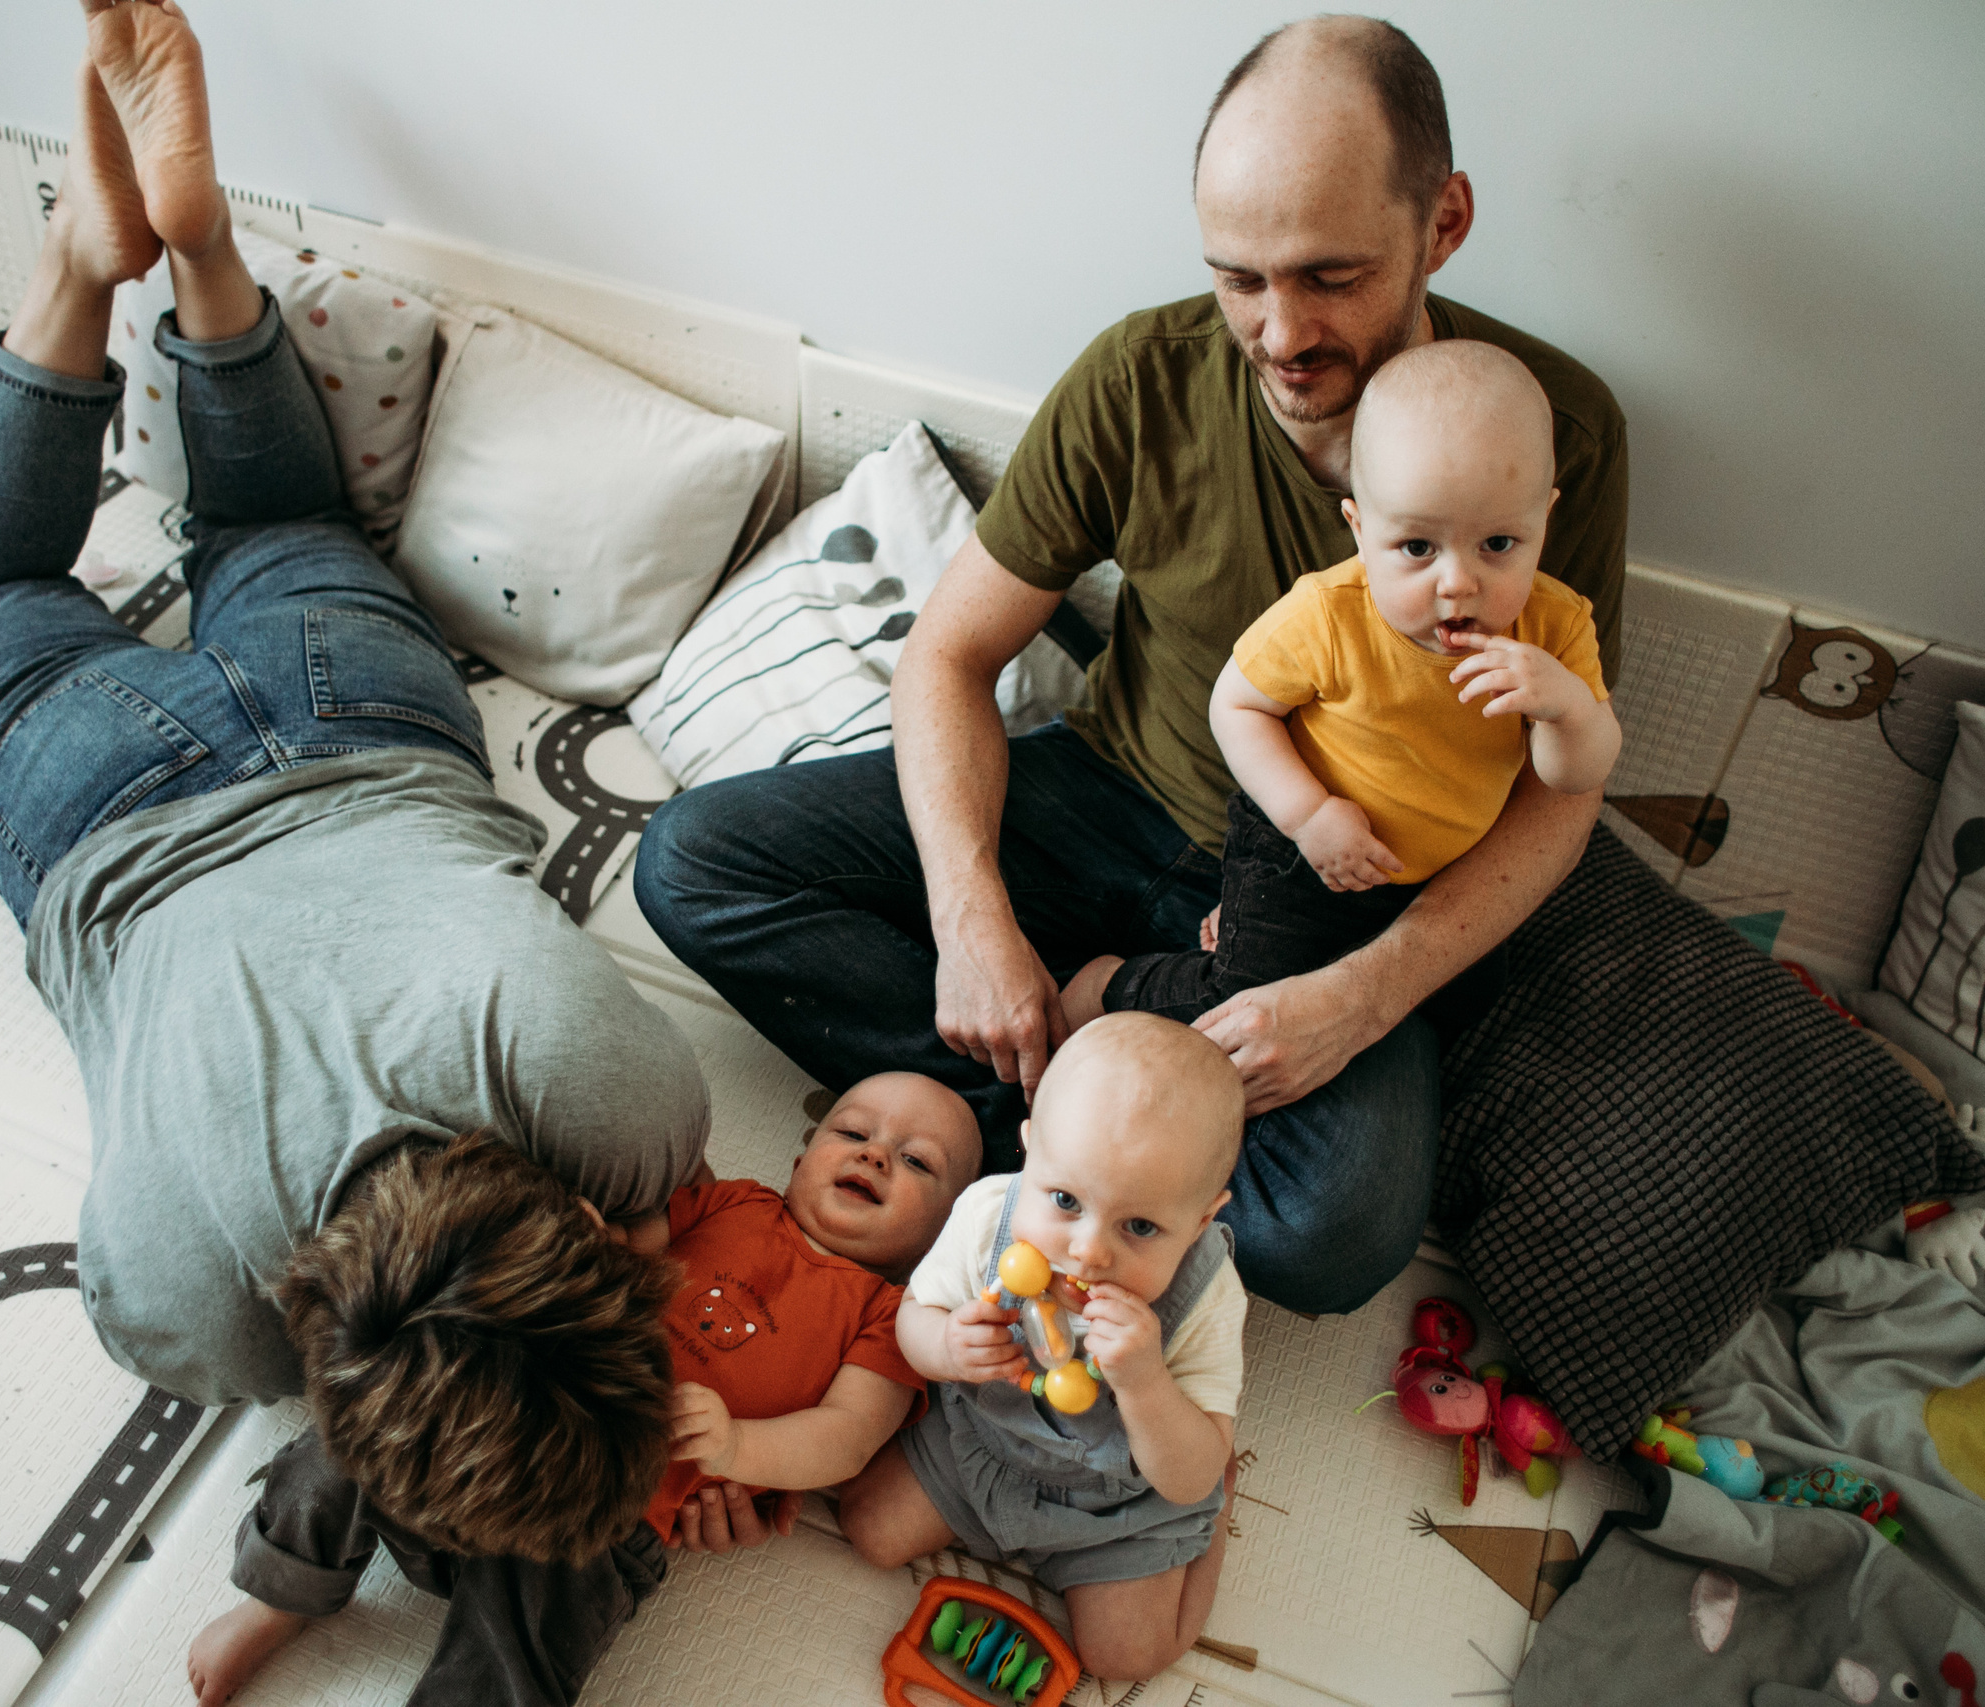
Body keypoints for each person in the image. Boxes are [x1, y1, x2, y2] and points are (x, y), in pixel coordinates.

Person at [0, 0, 807, 1546]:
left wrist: (639, 1220)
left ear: (590, 1235)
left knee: (282, 535)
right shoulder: (196, 1308)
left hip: (362, 734)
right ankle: (75, 267)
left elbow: (649, 1201)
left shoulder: (619, 1104)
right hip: (105, 821)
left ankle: (198, 261)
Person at [636, 15, 1629, 1316]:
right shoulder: (1144, 374)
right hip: (1107, 801)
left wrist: (1358, 999)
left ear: (1442, 222)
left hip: (1333, 909)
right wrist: (972, 919)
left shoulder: (1548, 432)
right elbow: (951, 651)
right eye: (1239, 277)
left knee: (1329, 1237)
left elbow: (1562, 789)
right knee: (694, 860)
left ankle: (1080, 1139)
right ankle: (1093, 1158)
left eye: (1330, 275)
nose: (1278, 333)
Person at [185, 1074, 983, 1707]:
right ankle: (283, 1592)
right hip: (510, 1417)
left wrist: (743, 1445)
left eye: (916, 1161)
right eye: (854, 1129)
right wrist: (581, 1239)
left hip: (610, 1517)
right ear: (804, 1154)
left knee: (523, 1650)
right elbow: (633, 1244)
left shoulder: (892, 1317)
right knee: (350, 1444)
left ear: (945, 1235)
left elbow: (847, 1433)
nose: (876, 1154)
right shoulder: (734, 1199)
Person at [1063, 340, 1621, 1026]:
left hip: (1433, 880)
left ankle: (1238, 918)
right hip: (1306, 848)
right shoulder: (1330, 613)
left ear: (1545, 521)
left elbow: (1575, 776)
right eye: (1417, 547)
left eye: (1499, 544)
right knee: (1245, 991)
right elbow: (1236, 705)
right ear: (1360, 530)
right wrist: (1308, 815)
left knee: (1469, 1002)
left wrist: (1566, 708)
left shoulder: (1555, 626)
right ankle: (1111, 988)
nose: (1458, 582)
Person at [838, 1016, 1247, 1682]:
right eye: (1063, 1199)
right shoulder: (985, 1217)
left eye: (1139, 1225)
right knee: (869, 1525)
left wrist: (1145, 1381)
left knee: (1126, 1657)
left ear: (1202, 1218)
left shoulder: (1206, 1299)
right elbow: (913, 1316)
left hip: (1122, 1498)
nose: (1088, 1249)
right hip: (987, 1443)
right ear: (1029, 1150)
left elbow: (1184, 1473)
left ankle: (1212, 1526)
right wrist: (946, 1344)